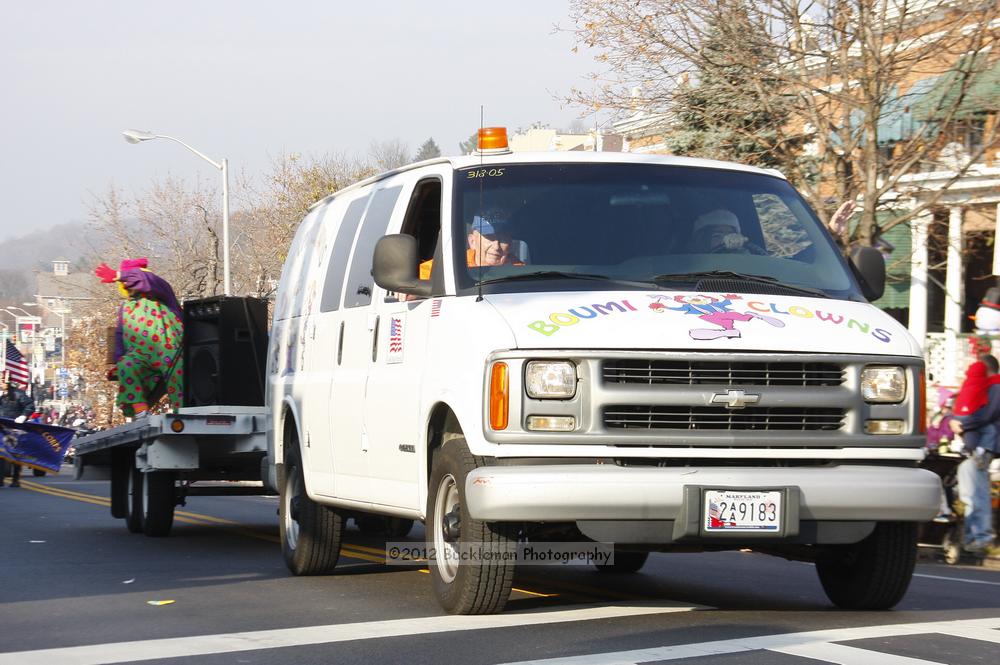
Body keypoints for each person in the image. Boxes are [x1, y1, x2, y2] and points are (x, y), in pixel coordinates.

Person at [94, 258, 184, 419]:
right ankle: (141, 412)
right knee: (126, 366)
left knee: (179, 374)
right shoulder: (126, 307)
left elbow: (145, 279)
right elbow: (120, 335)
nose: (128, 284)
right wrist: (117, 361)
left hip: (170, 350)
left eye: (130, 279)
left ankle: (183, 412)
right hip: (140, 355)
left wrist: (118, 274)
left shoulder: (162, 292)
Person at [949, 353, 1000, 553]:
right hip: (979, 446)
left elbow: (987, 414)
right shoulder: (989, 386)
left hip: (982, 447)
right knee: (970, 493)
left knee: (976, 493)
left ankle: (981, 537)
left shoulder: (995, 386)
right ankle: (973, 538)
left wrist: (960, 422)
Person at [416, 215, 525, 281]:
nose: (496, 246)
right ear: (472, 242)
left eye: (503, 239)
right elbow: (413, 282)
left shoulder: (522, 272)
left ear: (511, 244)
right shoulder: (448, 266)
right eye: (489, 237)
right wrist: (410, 290)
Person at [0, 378, 36, 488]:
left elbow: (30, 405)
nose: (1, 383)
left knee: (16, 453)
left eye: (2, 380)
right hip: (1, 428)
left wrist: (24, 416)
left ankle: (15, 479)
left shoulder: (18, 394)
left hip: (14, 428)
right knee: (0, 454)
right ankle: (0, 479)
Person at [688, 209, 764, 254]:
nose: (726, 240)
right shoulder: (690, 262)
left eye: (731, 235)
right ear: (701, 239)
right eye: (717, 235)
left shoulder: (744, 258)